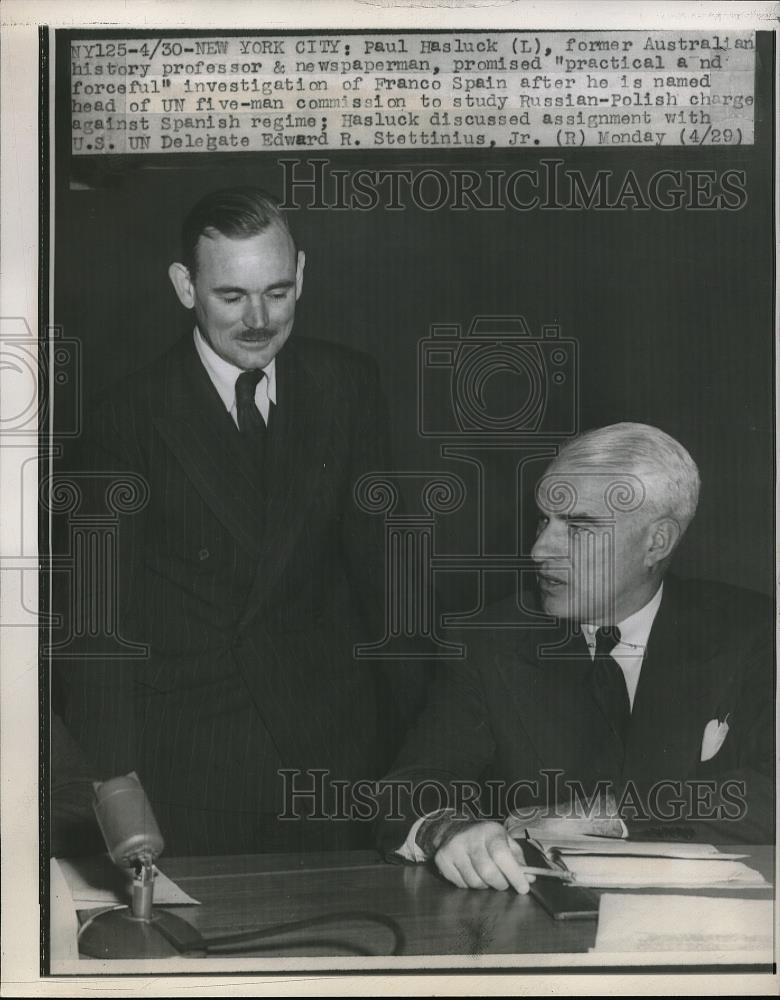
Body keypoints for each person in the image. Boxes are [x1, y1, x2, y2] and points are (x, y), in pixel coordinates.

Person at [56, 187, 422, 855]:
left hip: (335, 756)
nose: (259, 319)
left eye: (278, 292)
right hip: (192, 760)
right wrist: (117, 790)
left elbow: (386, 583)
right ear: (185, 286)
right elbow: (96, 628)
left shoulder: (349, 385)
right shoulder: (124, 417)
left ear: (302, 274)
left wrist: (423, 761)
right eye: (232, 297)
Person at [376, 423, 774, 893]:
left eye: (579, 527)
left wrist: (602, 815)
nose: (539, 550)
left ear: (657, 542)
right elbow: (409, 786)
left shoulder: (755, 632)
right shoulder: (488, 642)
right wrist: (449, 830)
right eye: (544, 520)